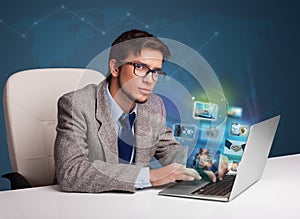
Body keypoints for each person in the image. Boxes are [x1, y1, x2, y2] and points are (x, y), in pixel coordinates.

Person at [54, 29, 203, 193]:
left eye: (156, 71)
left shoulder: (154, 105)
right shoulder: (77, 105)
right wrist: (150, 177)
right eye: (140, 67)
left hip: (133, 206)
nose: (149, 80)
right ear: (115, 68)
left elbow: (169, 149)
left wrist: (209, 161)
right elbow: (70, 172)